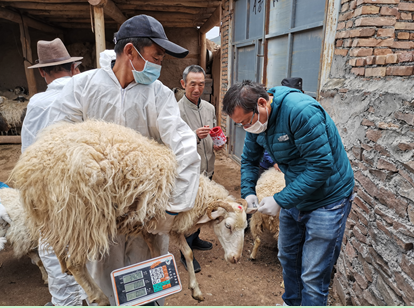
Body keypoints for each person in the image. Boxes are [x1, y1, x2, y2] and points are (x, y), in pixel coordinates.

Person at [42, 15, 200, 306]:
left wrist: (170, 210)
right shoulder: (82, 87)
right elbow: (56, 144)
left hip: (147, 217)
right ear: (130, 51)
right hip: (101, 220)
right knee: (108, 289)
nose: (159, 64)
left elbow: (185, 148)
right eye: (156, 56)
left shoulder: (159, 95)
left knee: (150, 292)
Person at [222, 80, 354, 306]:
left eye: (245, 121)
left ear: (262, 103)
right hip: (296, 191)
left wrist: (280, 199)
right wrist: (248, 192)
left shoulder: (300, 112)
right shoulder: (258, 122)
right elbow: (250, 160)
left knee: (313, 274)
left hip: (328, 199)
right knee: (287, 256)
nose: (245, 128)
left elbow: (321, 166)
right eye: (239, 124)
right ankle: (291, 303)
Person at [21, 38, 86, 306]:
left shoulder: (37, 104)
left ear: (42, 71)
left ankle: (65, 302)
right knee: (88, 245)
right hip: (84, 190)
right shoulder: (85, 94)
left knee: (55, 249)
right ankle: (91, 298)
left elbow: (28, 155)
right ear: (72, 67)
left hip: (50, 194)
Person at [177, 65, 224, 272]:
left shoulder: (209, 108)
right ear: (183, 84)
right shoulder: (175, 110)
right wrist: (194, 136)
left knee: (202, 210)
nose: (197, 89)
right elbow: (173, 143)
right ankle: (184, 251)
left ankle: (194, 239)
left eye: (201, 84)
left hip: (208, 167)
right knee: (189, 211)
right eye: (192, 84)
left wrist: (218, 143)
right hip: (190, 171)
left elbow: (214, 135)